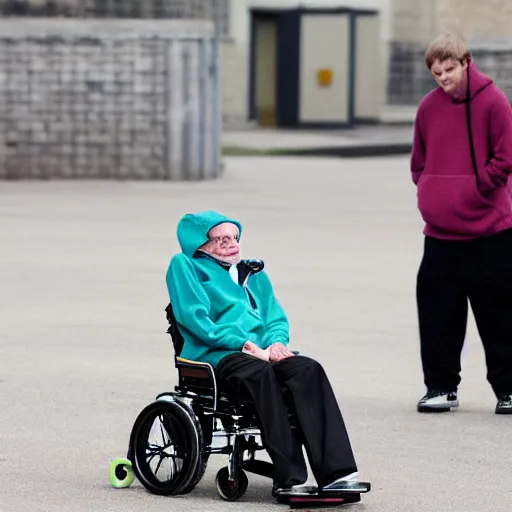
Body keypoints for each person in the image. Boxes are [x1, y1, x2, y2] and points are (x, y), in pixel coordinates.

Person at [165, 210, 370, 496]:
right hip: (217, 355)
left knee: (308, 369)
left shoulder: (253, 272)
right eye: (221, 239)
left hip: (261, 353)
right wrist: (246, 346)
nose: (231, 243)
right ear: (199, 242)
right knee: (262, 375)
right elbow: (195, 320)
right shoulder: (185, 266)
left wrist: (275, 344)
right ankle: (290, 479)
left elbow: (274, 317)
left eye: (234, 237)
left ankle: (338, 474)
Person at [411, 33, 512, 414]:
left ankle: (509, 389)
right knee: (437, 313)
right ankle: (440, 388)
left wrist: (476, 189)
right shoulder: (428, 108)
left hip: (491, 232)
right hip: (440, 234)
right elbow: (419, 162)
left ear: (466, 62)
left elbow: (505, 159)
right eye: (436, 72)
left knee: (500, 314)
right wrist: (430, 192)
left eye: (449, 69)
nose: (443, 78)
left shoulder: (494, 102)